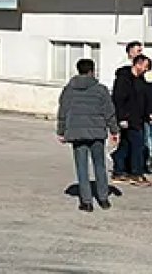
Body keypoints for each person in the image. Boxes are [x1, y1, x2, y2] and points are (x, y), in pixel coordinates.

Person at [56, 58, 120, 212]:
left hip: (77, 133)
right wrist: (114, 130)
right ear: (92, 71)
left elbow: (63, 111)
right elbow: (109, 112)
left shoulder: (69, 89)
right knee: (99, 165)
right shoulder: (101, 90)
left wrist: (61, 131)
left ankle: (86, 201)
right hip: (97, 132)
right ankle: (103, 199)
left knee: (82, 167)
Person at [110, 55, 152, 186]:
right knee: (138, 146)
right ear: (138, 64)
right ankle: (136, 173)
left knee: (125, 146)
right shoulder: (123, 79)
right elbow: (118, 99)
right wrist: (122, 118)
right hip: (128, 120)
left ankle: (119, 171)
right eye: (145, 67)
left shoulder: (140, 80)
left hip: (138, 118)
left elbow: (142, 99)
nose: (146, 70)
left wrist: (147, 114)